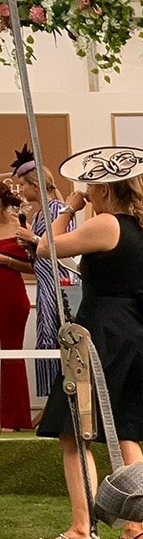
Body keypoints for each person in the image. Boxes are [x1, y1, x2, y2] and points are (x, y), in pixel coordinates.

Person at [29, 148, 143, 539]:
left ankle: (81, 528)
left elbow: (45, 248)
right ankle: (135, 528)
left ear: (106, 187)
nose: (87, 190)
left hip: (102, 335)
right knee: (125, 428)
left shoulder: (106, 224)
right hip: (141, 334)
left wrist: (68, 207)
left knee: (72, 430)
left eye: (92, 184)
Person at [13, 145, 72, 399]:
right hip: (46, 284)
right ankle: (52, 398)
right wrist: (30, 245)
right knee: (46, 336)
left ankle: (62, 396)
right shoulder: (39, 214)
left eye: (24, 186)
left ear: (34, 185)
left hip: (59, 283)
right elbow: (41, 251)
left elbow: (62, 246)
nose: (22, 192)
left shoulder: (57, 210)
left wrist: (34, 238)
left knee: (57, 336)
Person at [0, 178, 34, 429]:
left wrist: (6, 261)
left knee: (13, 355)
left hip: (11, 295)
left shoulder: (20, 225)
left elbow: (35, 265)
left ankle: (16, 419)